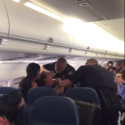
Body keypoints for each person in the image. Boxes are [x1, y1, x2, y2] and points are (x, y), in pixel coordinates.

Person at [56, 58, 121, 125]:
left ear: (88, 63)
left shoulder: (86, 68)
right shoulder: (108, 72)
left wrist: (58, 82)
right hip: (114, 104)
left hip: (99, 105)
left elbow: (67, 83)